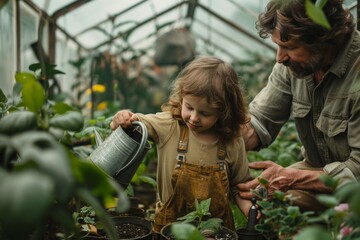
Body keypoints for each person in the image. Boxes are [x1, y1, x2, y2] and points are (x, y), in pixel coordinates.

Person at [237, 0, 360, 212]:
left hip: (353, 185)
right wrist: (218, 146)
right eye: (278, 45)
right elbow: (260, 120)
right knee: (264, 202)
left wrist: (292, 177)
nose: (280, 57)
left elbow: (356, 171)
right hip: (315, 170)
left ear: (324, 39)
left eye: (290, 47)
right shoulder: (294, 66)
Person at [110, 56, 253, 233]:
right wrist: (123, 117)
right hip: (168, 229)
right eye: (189, 107)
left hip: (215, 232)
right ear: (182, 97)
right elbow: (136, 122)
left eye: (205, 113)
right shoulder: (170, 125)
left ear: (224, 112)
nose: (194, 118)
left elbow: (241, 187)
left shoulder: (231, 141)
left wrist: (252, 214)